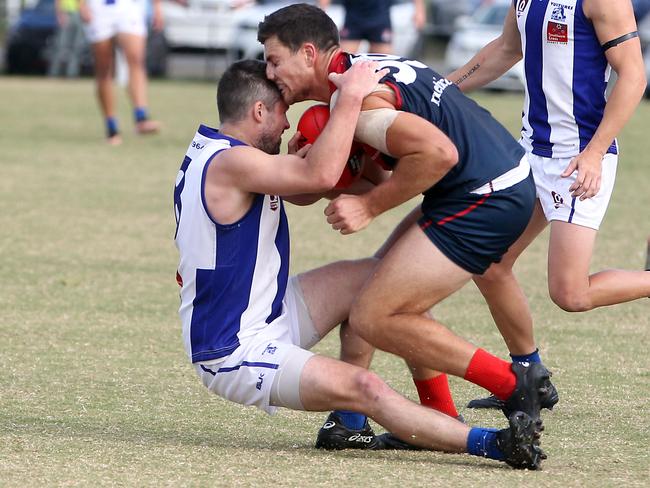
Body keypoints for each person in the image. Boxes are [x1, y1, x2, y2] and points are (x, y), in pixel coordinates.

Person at [172, 58, 545, 469]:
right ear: (258, 111)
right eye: (282, 115)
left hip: (267, 311)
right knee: (365, 387)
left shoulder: (219, 151)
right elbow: (317, 177)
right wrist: (349, 99)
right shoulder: (233, 164)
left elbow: (313, 186)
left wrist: (326, 161)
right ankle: (497, 443)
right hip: (234, 350)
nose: (286, 126)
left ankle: (357, 424)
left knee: (380, 282)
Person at [257, 3, 555, 449]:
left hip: (484, 194)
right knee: (374, 284)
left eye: (274, 60)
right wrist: (339, 166)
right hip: (485, 184)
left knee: (375, 315)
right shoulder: (359, 76)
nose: (269, 71)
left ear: (308, 53)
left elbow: (438, 155)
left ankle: (513, 385)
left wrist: (370, 207)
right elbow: (395, 168)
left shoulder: (354, 99)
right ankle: (356, 420)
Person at [445, 0, 650, 410]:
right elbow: (505, 49)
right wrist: (440, 91)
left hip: (579, 159)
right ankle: (530, 378)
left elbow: (633, 76)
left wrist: (592, 155)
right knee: (489, 263)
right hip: (531, 154)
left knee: (570, 294)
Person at [79, 0, 162, 144]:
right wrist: (81, 4)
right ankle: (111, 128)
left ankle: (141, 117)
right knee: (104, 69)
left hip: (128, 6)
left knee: (136, 59)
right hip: (99, 7)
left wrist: (157, 6)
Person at [318, 0, 426, 55]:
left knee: (384, 66)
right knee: (342, 63)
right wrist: (321, 12)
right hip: (353, 19)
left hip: (379, 19)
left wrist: (419, 10)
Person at [49, 0, 86, 78]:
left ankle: (72, 75)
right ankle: (54, 74)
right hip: (66, 13)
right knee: (60, 46)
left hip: (79, 14)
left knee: (77, 48)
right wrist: (59, 14)